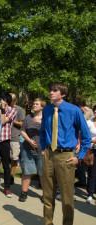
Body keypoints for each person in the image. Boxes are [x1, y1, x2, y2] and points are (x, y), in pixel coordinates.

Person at [40, 83, 91, 225]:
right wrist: (43, 148)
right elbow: (43, 130)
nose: (51, 93)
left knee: (67, 197)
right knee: (47, 195)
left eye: (55, 91)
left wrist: (79, 157)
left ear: (63, 94)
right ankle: (47, 223)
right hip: (49, 154)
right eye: (50, 90)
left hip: (66, 156)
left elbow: (86, 137)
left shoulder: (74, 110)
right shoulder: (47, 110)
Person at [18, 98, 45, 202]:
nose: (34, 105)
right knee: (27, 172)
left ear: (42, 106)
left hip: (42, 150)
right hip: (27, 149)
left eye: (37, 104)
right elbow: (23, 131)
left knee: (42, 173)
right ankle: (24, 193)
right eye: (33, 103)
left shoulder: (47, 119)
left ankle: (45, 195)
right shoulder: (28, 117)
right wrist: (29, 141)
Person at [0, 93, 17, 197]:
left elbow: (3, 121)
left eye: (2, 100)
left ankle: (7, 188)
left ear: (6, 100)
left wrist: (3, 110)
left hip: (4, 140)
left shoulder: (12, 110)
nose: (0, 102)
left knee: (5, 165)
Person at [9, 93, 25, 182]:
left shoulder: (20, 110)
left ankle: (11, 176)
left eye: (10, 99)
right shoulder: (3, 109)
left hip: (14, 137)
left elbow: (23, 124)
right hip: (3, 138)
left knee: (14, 159)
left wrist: (12, 121)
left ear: (15, 100)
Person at [86, 105, 96, 204]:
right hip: (92, 149)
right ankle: (90, 194)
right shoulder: (89, 123)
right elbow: (83, 135)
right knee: (92, 172)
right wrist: (92, 140)